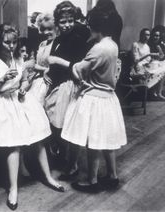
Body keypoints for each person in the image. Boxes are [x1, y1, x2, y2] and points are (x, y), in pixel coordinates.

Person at [0, 23, 65, 210]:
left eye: (14, 42)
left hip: (19, 100)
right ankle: (13, 188)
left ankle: (48, 177)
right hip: (1, 102)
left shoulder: (18, 59)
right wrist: (3, 79)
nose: (12, 46)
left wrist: (23, 88)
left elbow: (23, 80)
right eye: (7, 43)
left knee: (38, 139)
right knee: (14, 145)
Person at [61, 8, 127, 193]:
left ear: (96, 27)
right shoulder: (113, 44)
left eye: (90, 25)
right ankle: (112, 175)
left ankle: (92, 181)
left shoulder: (98, 49)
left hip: (94, 98)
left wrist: (71, 65)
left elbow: (79, 70)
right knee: (105, 139)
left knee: (93, 141)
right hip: (108, 98)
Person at [43, 1, 90, 178]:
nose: (67, 25)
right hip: (58, 83)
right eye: (63, 22)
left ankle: (72, 164)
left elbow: (78, 68)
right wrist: (49, 69)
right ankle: (63, 157)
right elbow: (55, 61)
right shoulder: (58, 39)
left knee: (69, 125)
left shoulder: (78, 39)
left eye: (70, 20)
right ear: (57, 22)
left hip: (71, 85)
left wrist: (56, 61)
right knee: (56, 122)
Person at [28, 13, 56, 105]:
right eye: (44, 29)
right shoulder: (42, 44)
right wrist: (44, 69)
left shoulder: (57, 44)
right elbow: (35, 64)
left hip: (50, 80)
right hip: (37, 80)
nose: (46, 32)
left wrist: (44, 70)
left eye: (50, 29)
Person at [131, 28, 165, 99]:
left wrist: (150, 60)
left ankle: (157, 92)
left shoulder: (147, 46)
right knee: (161, 67)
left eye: (148, 35)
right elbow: (136, 60)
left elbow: (148, 60)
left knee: (162, 66)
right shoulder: (135, 44)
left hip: (147, 67)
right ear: (141, 35)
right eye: (145, 34)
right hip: (139, 67)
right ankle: (155, 92)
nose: (147, 37)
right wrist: (148, 55)